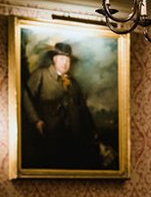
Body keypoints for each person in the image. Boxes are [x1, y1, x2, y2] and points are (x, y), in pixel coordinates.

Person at [21, 42, 102, 170]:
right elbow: (25, 97)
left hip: (74, 140)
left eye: (68, 60)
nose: (65, 63)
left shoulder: (73, 83)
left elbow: (83, 110)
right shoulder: (41, 75)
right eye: (62, 59)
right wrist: (36, 120)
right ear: (54, 60)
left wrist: (93, 132)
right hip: (50, 138)